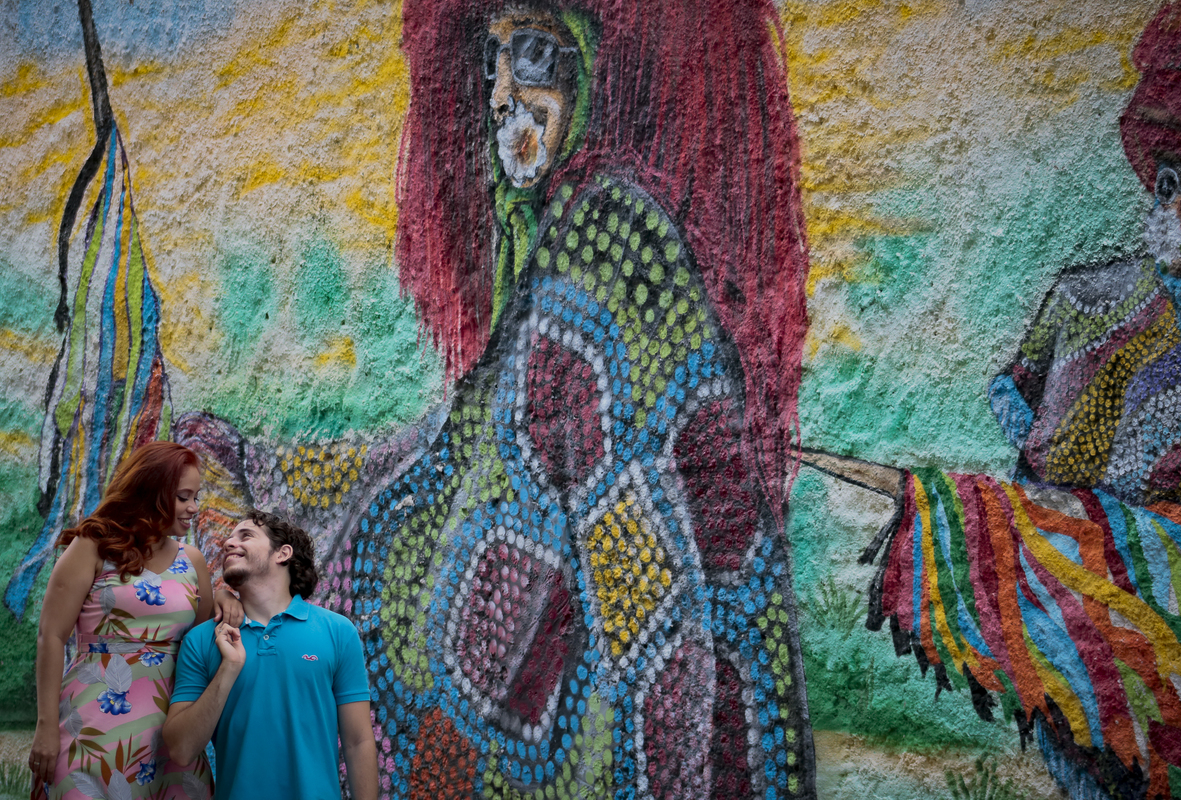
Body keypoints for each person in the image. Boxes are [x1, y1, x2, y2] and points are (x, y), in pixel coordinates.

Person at [325, 0, 815, 797]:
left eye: (536, 58)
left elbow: (630, 543)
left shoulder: (609, 240)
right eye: (493, 62)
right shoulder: (555, 238)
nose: (499, 95)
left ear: (599, 79)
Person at [807, 3, 1181, 797]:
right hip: (1085, 596)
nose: (1174, 211)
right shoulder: (1095, 300)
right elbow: (1013, 397)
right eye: (1169, 187)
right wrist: (1062, 508)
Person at [28, 441, 240, 800]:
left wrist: (221, 596)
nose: (193, 508)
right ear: (152, 492)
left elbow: (199, 644)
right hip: (92, 730)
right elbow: (51, 636)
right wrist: (46, 726)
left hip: (170, 738)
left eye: (196, 497)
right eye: (183, 497)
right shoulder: (94, 545)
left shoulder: (193, 561)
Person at [163, 511, 377, 800]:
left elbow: (358, 741)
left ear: (282, 553)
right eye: (229, 538)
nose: (228, 543)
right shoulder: (201, 640)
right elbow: (181, 750)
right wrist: (230, 668)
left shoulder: (337, 632)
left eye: (246, 535)